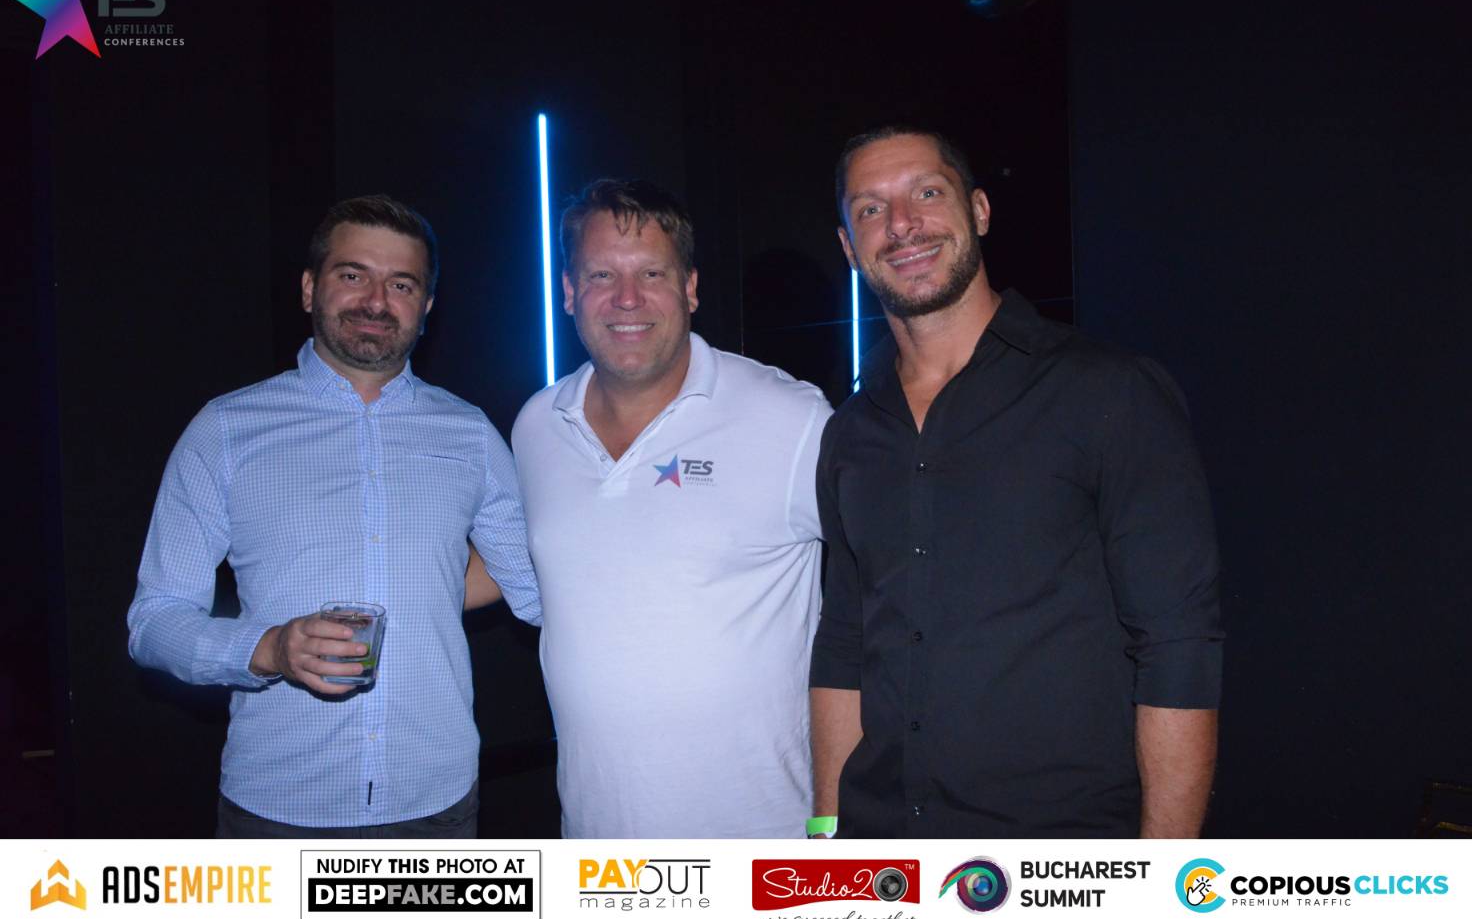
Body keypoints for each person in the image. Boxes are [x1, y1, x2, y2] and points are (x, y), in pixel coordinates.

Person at [809, 126, 1224, 838]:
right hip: (885, 857)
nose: (901, 223)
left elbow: (1178, 647)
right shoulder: (849, 431)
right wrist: (826, 836)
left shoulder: (1108, 393)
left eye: (926, 193)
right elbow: (846, 642)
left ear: (979, 211)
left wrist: (1164, 880)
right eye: (871, 209)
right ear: (849, 246)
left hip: (1060, 855)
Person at [128, 194, 541, 837]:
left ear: (426, 307)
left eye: (401, 284)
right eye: (353, 274)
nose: (376, 300)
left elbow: (538, 585)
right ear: (308, 288)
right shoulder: (227, 430)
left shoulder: (470, 434)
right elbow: (154, 622)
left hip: (435, 803)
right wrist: (267, 649)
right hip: (278, 809)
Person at [490, 179, 831, 837]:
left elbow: (887, 602)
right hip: (598, 848)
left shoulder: (790, 419)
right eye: (601, 275)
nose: (627, 298)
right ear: (568, 291)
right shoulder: (536, 425)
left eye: (652, 273)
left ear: (691, 288)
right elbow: (531, 560)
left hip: (765, 846)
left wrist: (837, 825)